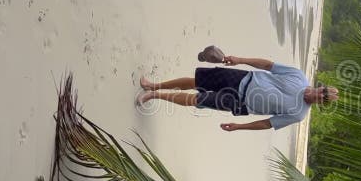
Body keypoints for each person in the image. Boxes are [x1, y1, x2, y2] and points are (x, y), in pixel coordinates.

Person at [137, 55, 338, 131]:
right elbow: (268, 65)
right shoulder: (298, 76)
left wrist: (239, 127)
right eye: (323, 92)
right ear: (322, 87)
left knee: (197, 99)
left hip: (240, 104)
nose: (320, 96)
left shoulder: (299, 114)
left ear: (322, 104)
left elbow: (268, 123)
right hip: (243, 78)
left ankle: (154, 96)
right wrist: (240, 59)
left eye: (324, 99)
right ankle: (154, 86)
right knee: (196, 81)